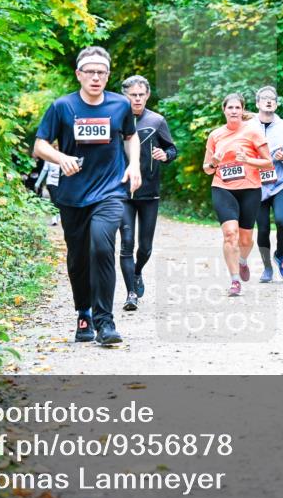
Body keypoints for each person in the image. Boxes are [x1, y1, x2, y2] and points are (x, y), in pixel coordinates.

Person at [33, 46, 141, 344]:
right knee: (78, 257)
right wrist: (59, 157)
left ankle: (106, 322)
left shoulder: (120, 106)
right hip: (71, 194)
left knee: (102, 247)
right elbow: (40, 145)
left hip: (110, 190)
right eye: (90, 72)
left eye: (101, 73)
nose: (96, 78)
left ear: (108, 76)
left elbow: (130, 137)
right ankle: (84, 314)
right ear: (79, 74)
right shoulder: (62, 107)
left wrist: (134, 164)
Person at [202, 93, 273, 297]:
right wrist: (214, 162)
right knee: (230, 233)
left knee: (245, 240)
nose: (234, 111)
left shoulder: (253, 132)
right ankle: (234, 280)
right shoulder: (215, 135)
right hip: (222, 188)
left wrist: (248, 160)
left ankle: (242, 261)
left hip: (250, 188)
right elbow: (207, 169)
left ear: (242, 110)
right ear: (224, 110)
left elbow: (268, 162)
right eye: (230, 108)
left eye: (237, 108)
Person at [118, 75, 177, 311]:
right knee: (126, 243)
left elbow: (171, 148)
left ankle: (138, 270)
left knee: (145, 247)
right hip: (121, 192)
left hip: (149, 192)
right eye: (133, 95)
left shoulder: (157, 120)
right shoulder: (115, 119)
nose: (138, 99)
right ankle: (131, 292)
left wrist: (166, 155)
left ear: (147, 95)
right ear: (125, 96)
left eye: (141, 94)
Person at [250, 86, 283, 283]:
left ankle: (279, 255)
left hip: (280, 183)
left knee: (282, 221)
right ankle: (267, 267)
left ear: (277, 104)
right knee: (262, 229)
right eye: (264, 98)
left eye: (272, 99)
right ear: (257, 103)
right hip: (256, 185)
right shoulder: (249, 126)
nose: (268, 101)